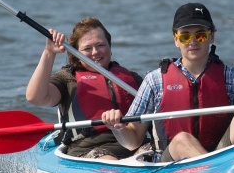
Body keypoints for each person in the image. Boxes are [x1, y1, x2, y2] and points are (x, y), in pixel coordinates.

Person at [101, 2, 234, 162]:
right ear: (176, 39)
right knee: (183, 139)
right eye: (185, 36)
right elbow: (132, 140)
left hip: (219, 158)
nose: (192, 42)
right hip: (169, 164)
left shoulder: (231, 78)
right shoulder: (155, 80)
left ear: (211, 36)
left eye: (200, 35)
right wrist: (117, 128)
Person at [26, 17, 148, 160]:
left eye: (100, 45)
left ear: (110, 47)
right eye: (87, 49)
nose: (95, 52)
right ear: (76, 55)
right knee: (108, 160)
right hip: (89, 148)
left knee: (156, 153)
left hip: (133, 142)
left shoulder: (132, 78)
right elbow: (35, 97)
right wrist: (49, 52)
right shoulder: (67, 79)